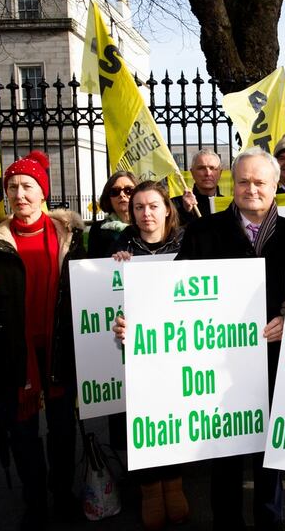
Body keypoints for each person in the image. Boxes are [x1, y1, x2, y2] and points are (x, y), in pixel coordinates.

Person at [177, 146, 285, 530]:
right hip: (220, 361)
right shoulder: (202, 232)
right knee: (224, 451)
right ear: (232, 185)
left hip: (277, 359)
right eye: (243, 181)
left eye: (260, 182)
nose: (251, 189)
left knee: (271, 451)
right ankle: (226, 521)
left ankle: (270, 520)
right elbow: (173, 295)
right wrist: (136, 319)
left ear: (275, 185)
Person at [0, 151, 87, 531]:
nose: (20, 194)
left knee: (61, 429)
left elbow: (87, 287)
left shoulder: (69, 236)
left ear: (43, 192)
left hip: (59, 348)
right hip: (16, 354)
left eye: (28, 186)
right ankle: (35, 500)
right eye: (12, 187)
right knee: (22, 430)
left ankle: (62, 494)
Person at [110, 181, 189, 530]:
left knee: (172, 419)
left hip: (178, 349)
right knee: (142, 421)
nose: (145, 213)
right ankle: (150, 491)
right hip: (137, 354)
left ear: (167, 209)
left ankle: (174, 484)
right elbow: (104, 297)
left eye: (153, 206)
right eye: (139, 207)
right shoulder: (121, 246)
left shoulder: (188, 244)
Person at [87, 170, 136, 258]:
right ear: (108, 198)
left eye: (128, 190)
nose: (122, 195)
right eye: (115, 191)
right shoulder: (97, 229)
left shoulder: (147, 226)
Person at [173, 149, 223, 224]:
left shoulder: (231, 205)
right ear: (192, 172)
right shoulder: (175, 204)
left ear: (220, 173)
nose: (208, 173)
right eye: (201, 168)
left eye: (212, 168)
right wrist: (186, 212)